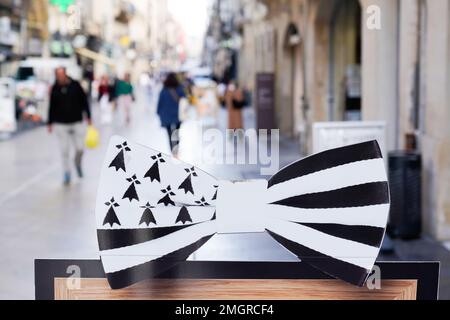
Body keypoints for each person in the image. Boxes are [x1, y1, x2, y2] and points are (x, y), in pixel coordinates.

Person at [48, 67, 91, 185]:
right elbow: (51, 106)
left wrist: (88, 116)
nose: (60, 77)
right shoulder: (55, 88)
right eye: (58, 75)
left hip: (76, 121)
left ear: (65, 74)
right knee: (64, 150)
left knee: (80, 148)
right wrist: (50, 122)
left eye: (61, 75)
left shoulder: (75, 85)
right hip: (60, 123)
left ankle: (77, 164)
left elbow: (84, 100)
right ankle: (66, 172)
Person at [157, 72, 186, 154]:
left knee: (169, 134)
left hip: (166, 115)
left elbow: (160, 102)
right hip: (177, 115)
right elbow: (184, 100)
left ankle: (172, 149)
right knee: (176, 131)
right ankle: (176, 147)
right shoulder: (179, 88)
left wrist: (158, 112)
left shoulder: (164, 89)